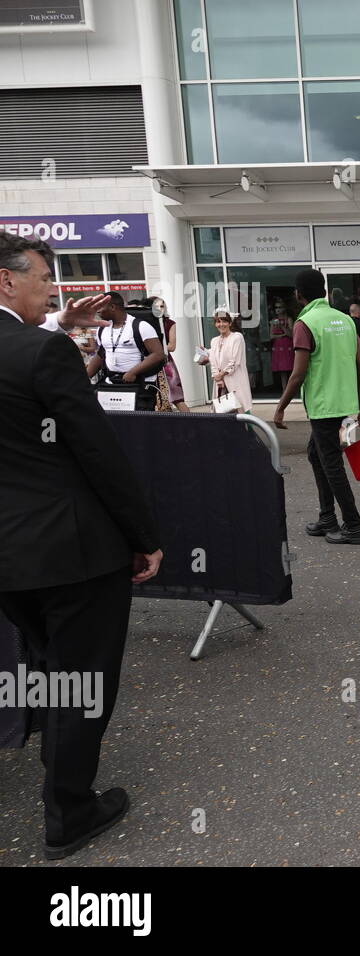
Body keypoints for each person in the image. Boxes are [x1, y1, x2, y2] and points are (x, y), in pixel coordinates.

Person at [0, 233, 163, 860]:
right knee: (81, 678)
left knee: (47, 666)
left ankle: (53, 752)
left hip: (12, 561)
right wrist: (144, 537)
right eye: (44, 278)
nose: (53, 291)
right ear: (7, 281)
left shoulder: (39, 344)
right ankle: (68, 808)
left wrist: (57, 328)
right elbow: (96, 449)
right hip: (70, 551)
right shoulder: (42, 352)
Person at [273, 269, 360, 545]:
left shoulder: (305, 323)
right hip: (344, 404)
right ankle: (327, 517)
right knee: (316, 455)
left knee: (331, 464)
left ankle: (353, 526)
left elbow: (298, 373)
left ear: (298, 294)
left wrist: (280, 407)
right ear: (325, 292)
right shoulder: (346, 320)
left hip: (323, 406)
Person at [83, 291, 167, 410]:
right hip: (112, 382)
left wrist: (133, 372)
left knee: (138, 423)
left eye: (100, 306)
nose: (97, 310)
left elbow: (158, 354)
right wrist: (84, 377)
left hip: (139, 383)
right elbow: (101, 354)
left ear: (113, 307)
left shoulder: (141, 326)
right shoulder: (102, 328)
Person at [207, 309, 253, 413]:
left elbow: (235, 361)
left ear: (230, 323)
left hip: (235, 380)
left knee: (242, 411)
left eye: (224, 321)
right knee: (222, 412)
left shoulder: (237, 337)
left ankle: (248, 429)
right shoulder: (214, 341)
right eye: (218, 321)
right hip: (219, 383)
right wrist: (217, 378)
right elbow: (213, 361)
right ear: (215, 324)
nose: (221, 324)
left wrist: (221, 374)